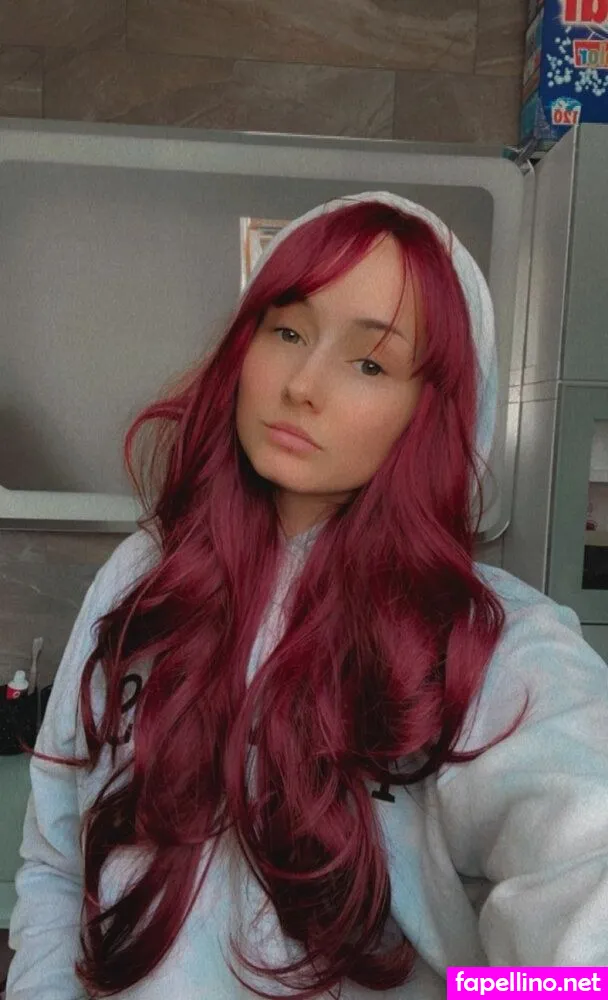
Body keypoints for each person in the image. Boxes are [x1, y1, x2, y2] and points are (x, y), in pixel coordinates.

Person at [6, 192, 608, 1000]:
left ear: (432, 412)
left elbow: (584, 930)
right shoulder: (146, 575)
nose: (302, 385)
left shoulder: (494, 646)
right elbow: (56, 854)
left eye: (371, 363)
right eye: (287, 331)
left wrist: (480, 990)